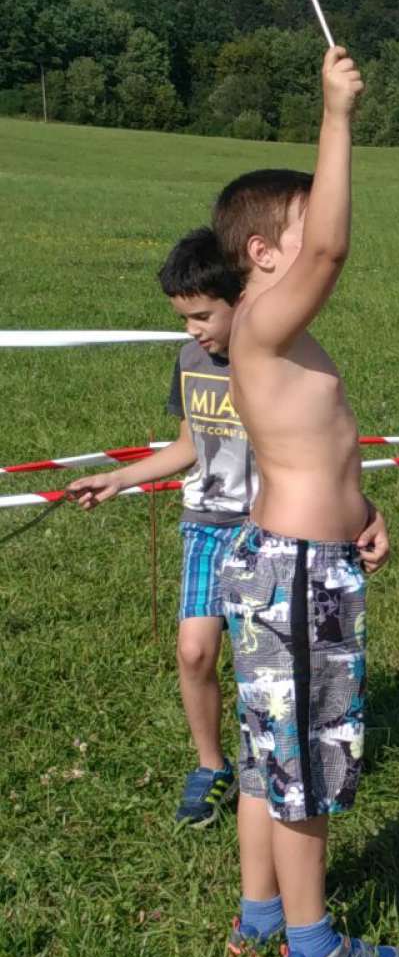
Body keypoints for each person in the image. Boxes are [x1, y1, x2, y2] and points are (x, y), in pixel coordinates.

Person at [211, 45, 399, 957]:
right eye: (301, 219)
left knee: (267, 754)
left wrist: (362, 509)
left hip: (295, 555)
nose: (318, 233)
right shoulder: (264, 319)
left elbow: (318, 445)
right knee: (305, 766)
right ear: (262, 253)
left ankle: (259, 918)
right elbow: (329, 249)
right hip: (294, 568)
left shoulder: (273, 332)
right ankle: (313, 947)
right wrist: (336, 116)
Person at [69, 229, 253, 828]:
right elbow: (188, 444)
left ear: (242, 298)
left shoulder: (273, 358)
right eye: (183, 319)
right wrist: (120, 479)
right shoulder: (191, 361)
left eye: (203, 316)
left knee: (259, 660)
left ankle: (274, 759)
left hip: (266, 529)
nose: (193, 330)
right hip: (205, 523)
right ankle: (211, 766)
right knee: (195, 651)